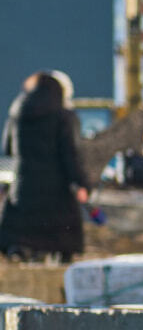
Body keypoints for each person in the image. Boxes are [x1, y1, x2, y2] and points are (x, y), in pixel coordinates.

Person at [0, 71, 90, 262]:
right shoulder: (63, 116)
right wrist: (81, 183)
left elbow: (7, 148)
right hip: (55, 188)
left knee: (23, 232)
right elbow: (70, 153)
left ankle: (21, 255)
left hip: (24, 185)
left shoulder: (17, 115)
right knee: (61, 233)